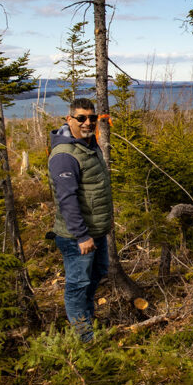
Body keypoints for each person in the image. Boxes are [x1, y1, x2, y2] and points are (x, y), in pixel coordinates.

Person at [48, 98, 113, 343]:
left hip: (96, 231)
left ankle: (87, 320)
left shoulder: (89, 145)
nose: (88, 122)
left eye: (92, 118)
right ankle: (85, 339)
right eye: (81, 118)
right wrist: (82, 235)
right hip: (77, 237)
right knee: (78, 284)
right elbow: (67, 199)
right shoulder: (64, 155)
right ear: (69, 119)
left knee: (97, 273)